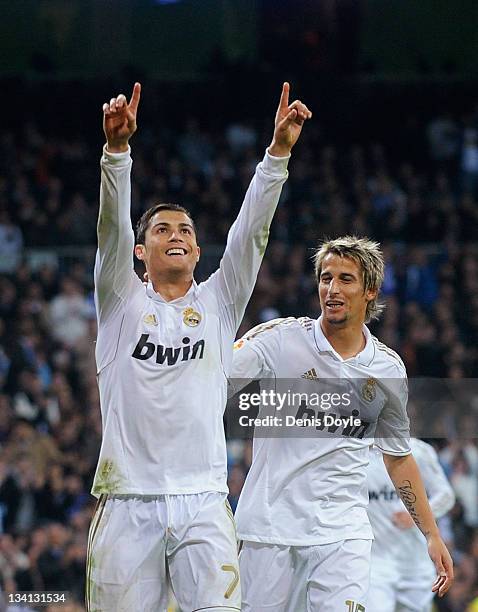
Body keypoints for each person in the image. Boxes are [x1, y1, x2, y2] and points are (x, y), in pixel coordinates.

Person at [85, 81, 311, 611]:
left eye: (185, 228)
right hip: (126, 500)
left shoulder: (218, 303)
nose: (176, 234)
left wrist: (277, 154)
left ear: (197, 248)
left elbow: (250, 234)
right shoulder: (119, 301)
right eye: (162, 229)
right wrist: (117, 154)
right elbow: (109, 230)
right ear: (141, 251)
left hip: (204, 501)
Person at [230, 236, 454, 611]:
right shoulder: (279, 340)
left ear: (370, 291)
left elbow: (398, 457)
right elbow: (214, 374)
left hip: (342, 534)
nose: (332, 289)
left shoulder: (386, 369)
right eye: (325, 277)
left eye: (345, 279)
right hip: (270, 530)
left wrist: (431, 534)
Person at [367, 438, 455, 612]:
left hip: (416, 564)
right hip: (375, 563)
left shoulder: (418, 450)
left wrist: (416, 516)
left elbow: (446, 495)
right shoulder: (355, 455)